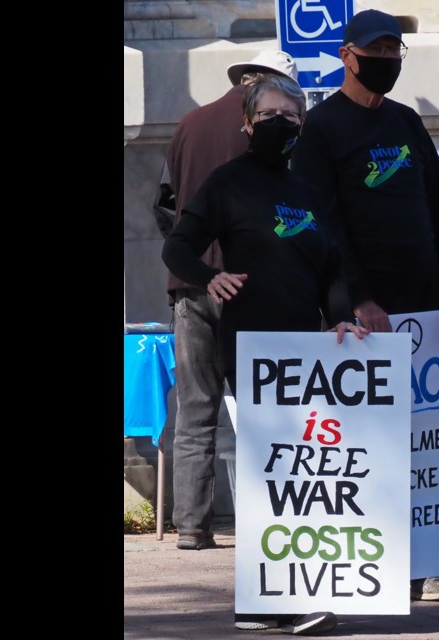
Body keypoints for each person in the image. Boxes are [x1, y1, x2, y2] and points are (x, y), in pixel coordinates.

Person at [163, 74, 364, 636]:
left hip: (306, 349)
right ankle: (279, 597)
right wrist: (210, 278)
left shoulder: (306, 190)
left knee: (293, 472)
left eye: (292, 116)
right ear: (248, 123)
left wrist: (341, 315)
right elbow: (177, 242)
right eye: (271, 114)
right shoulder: (227, 183)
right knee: (275, 471)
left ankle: (268, 601)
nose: (282, 124)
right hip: (253, 347)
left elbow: (330, 267)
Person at [291, 9, 439, 603]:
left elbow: (438, 208)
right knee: (373, 441)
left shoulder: (407, 122)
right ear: (347, 55)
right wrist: (356, 298)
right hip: (366, 313)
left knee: (424, 437)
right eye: (377, 50)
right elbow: (324, 225)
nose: (388, 60)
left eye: (396, 50)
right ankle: (379, 563)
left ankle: (422, 561)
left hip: (425, 307)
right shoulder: (320, 130)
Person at [162, 49, 298, 553]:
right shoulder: (278, 130)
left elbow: (166, 207)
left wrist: (196, 267)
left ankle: (192, 527)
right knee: (268, 410)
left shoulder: (188, 124)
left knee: (196, 413)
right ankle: (271, 520)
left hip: (193, 285)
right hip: (254, 287)